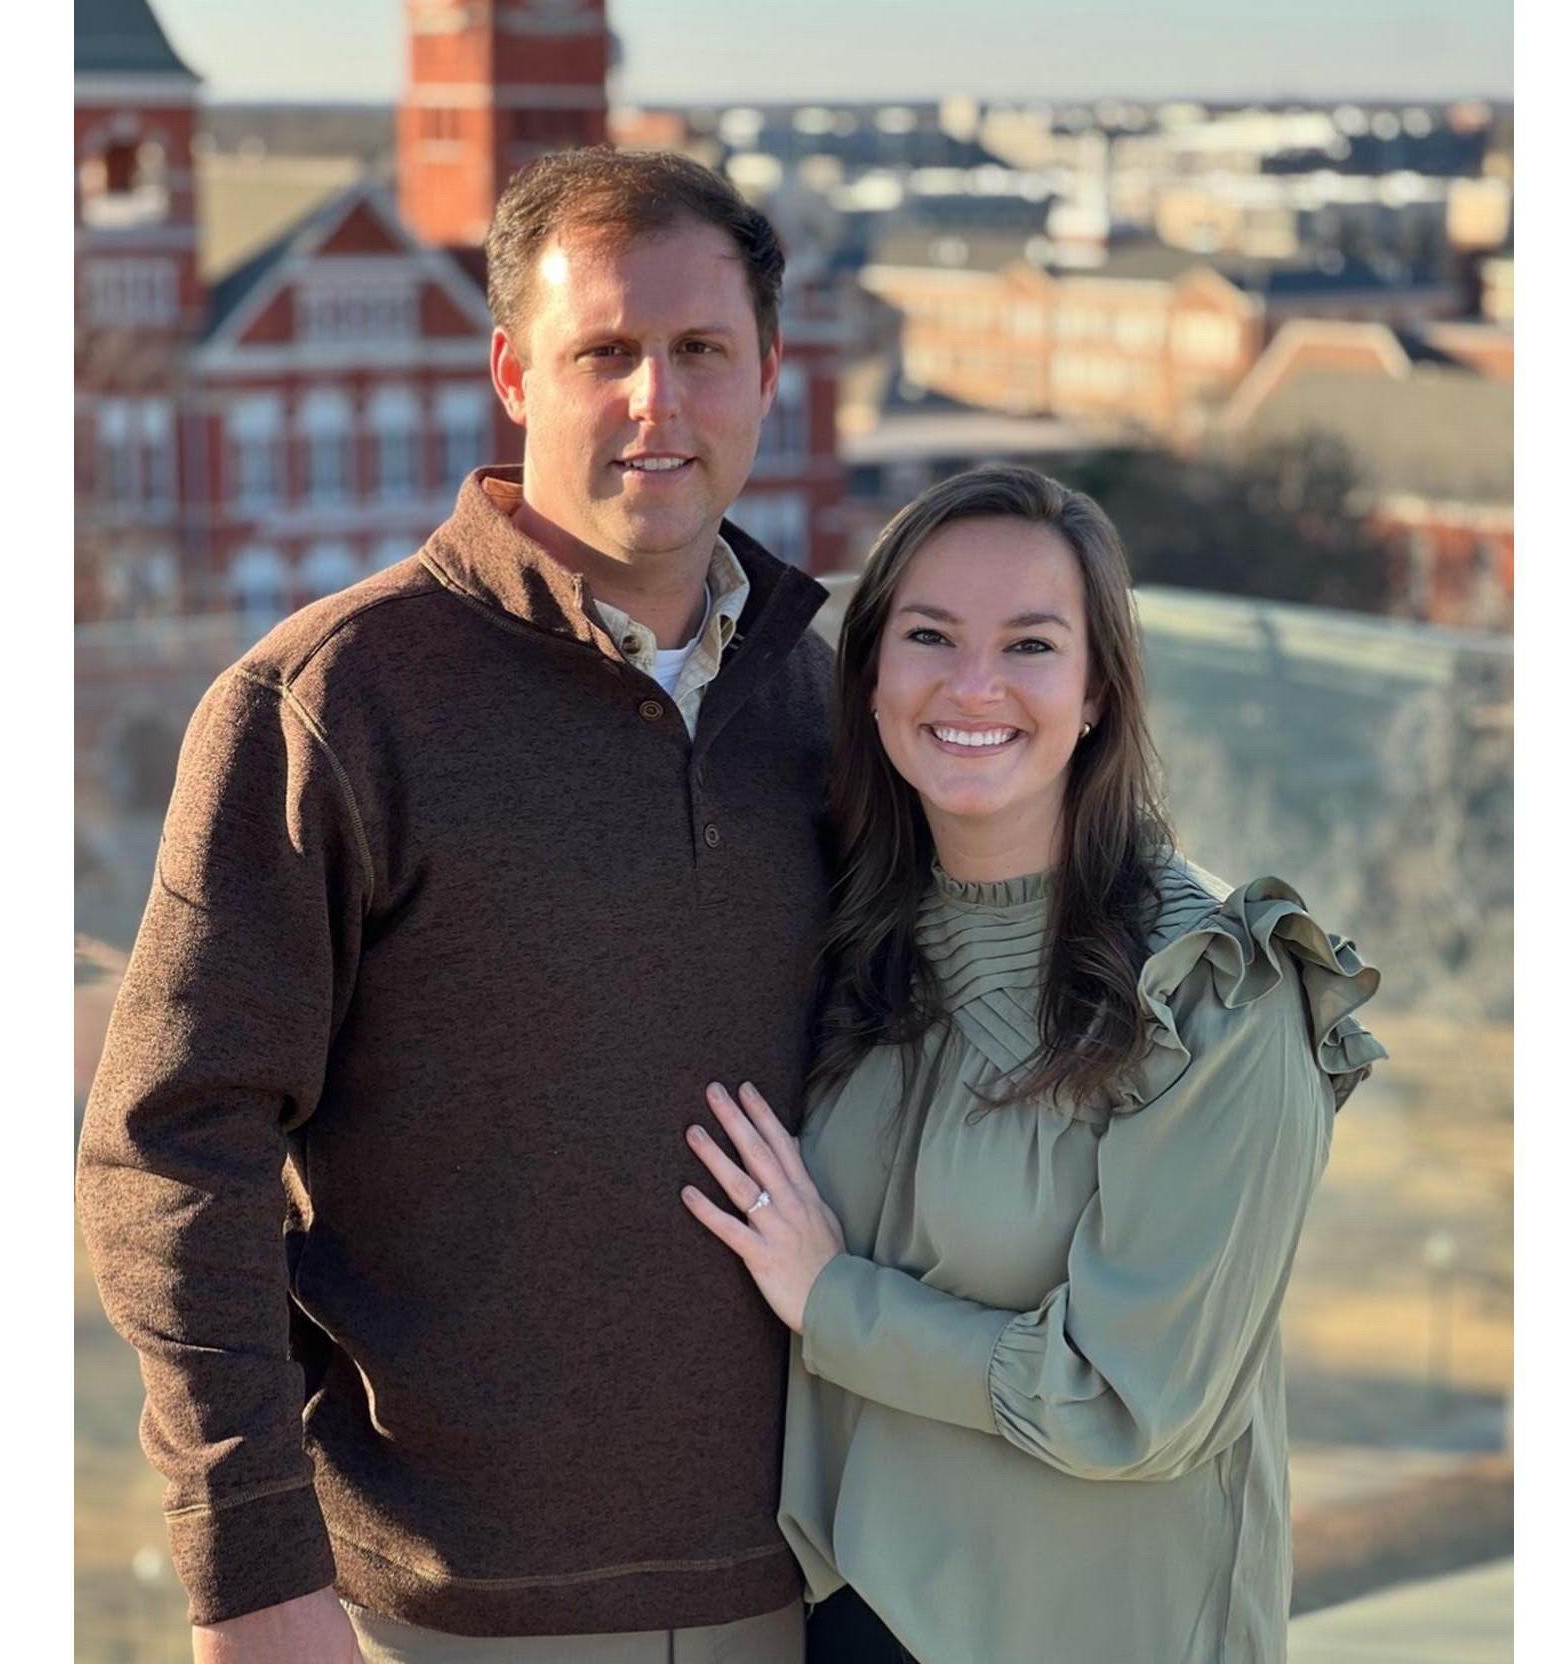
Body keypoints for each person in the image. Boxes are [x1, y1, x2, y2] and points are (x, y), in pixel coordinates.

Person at [77, 147, 833, 1664]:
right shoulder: (327, 706)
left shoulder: (822, 703)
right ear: (511, 375)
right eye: (603, 352)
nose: (656, 402)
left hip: (797, 1580)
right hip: (437, 1609)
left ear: (767, 375)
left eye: (700, 351)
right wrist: (251, 1571)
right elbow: (170, 1151)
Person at [681, 465, 1387, 1664]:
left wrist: (832, 1298)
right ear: (869, 673)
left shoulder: (1216, 990)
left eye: (1029, 644)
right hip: (847, 1619)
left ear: (1096, 688)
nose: (973, 684)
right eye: (928, 635)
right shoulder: (854, 934)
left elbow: (1132, 1399)